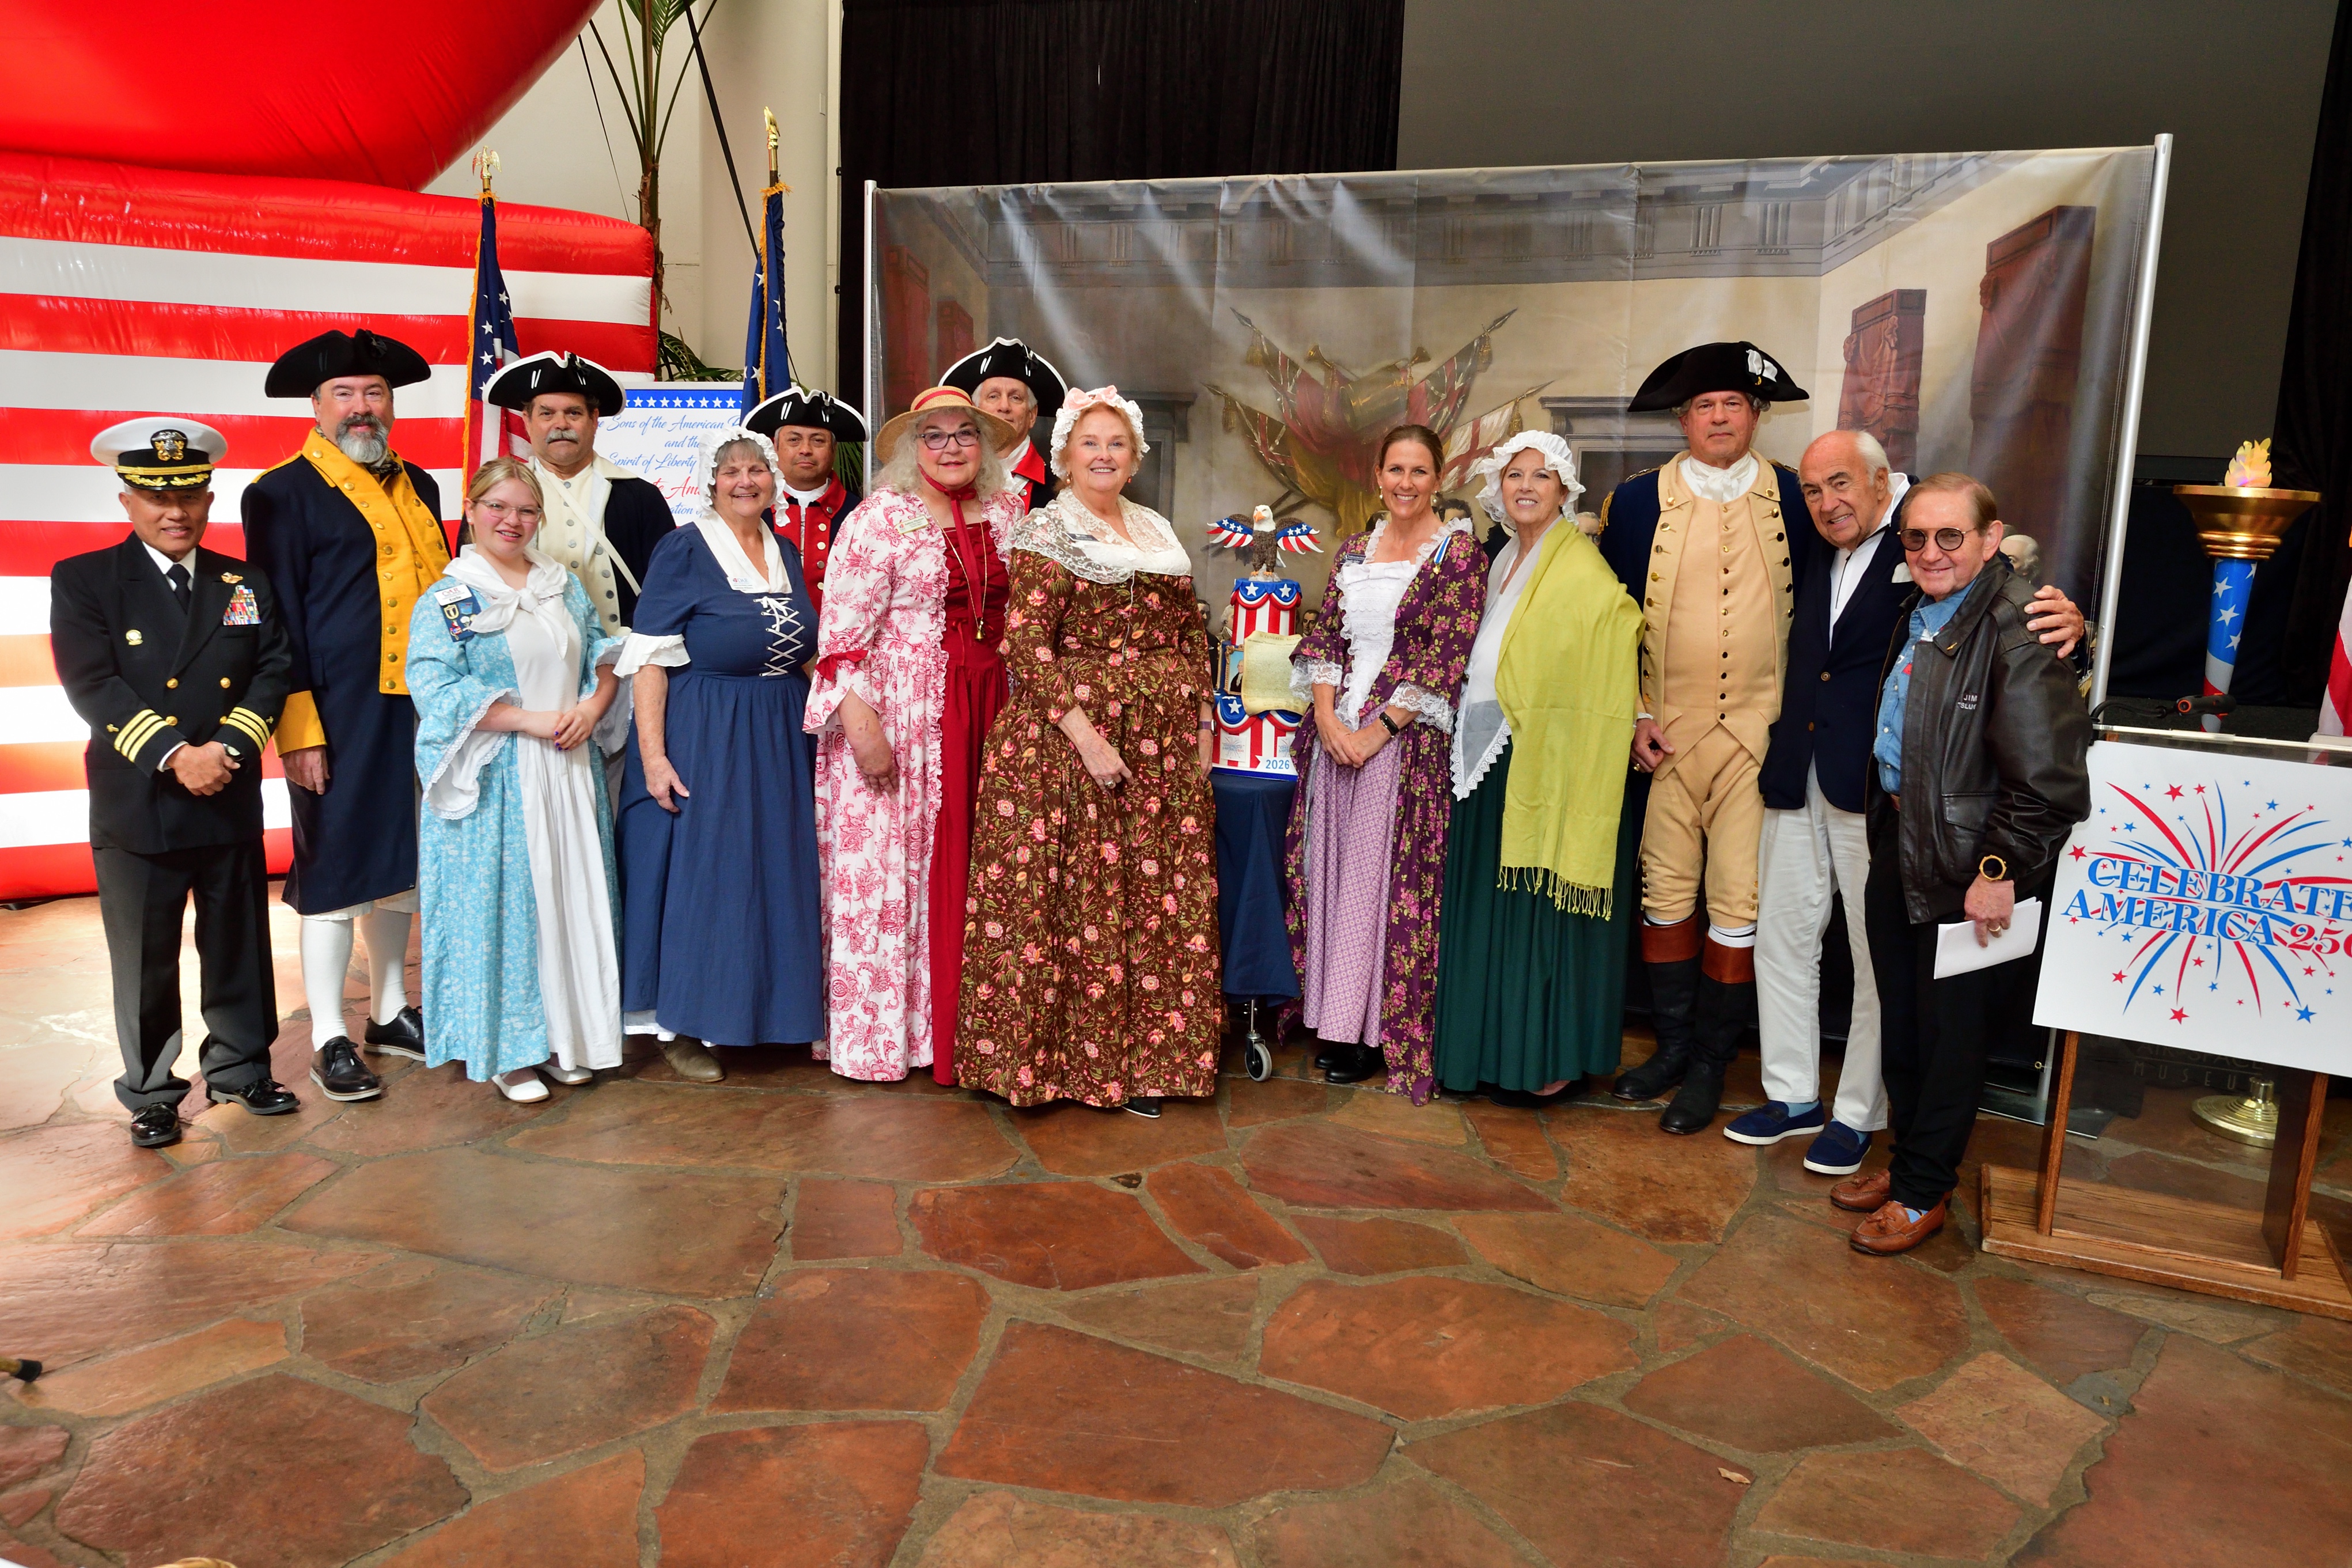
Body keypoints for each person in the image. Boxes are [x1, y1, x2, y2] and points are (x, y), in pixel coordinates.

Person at [1733, 431, 2085, 1175]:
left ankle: (1860, 1113)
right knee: (1785, 939)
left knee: (1876, 966)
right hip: (1800, 769)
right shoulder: (1809, 540)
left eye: (1840, 484)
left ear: (1880, 482)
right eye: (1812, 489)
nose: (1827, 501)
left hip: (1889, 798)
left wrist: (2070, 627)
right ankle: (1791, 1093)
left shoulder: (1934, 547)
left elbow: (2009, 587)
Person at [1841, 472, 2090, 1254]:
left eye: (1949, 535)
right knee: (1906, 1025)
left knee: (1951, 1037)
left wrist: (1997, 872)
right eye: (1915, 536)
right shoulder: (1922, 609)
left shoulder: (2019, 623)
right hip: (1902, 840)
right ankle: (1912, 1161)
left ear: (1990, 539)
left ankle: (1922, 1193)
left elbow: (2048, 780)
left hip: (1969, 864)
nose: (1929, 550)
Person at [958, 388, 1221, 1116]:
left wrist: (1202, 722)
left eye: (1116, 445)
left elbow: (1188, 633)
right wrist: (1087, 737)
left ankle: (1148, 1062)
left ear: (1134, 460)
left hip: (1162, 745)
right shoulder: (1050, 531)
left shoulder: (1155, 529)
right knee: (1077, 903)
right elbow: (1027, 647)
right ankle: (1076, 1066)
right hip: (1067, 745)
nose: (1103, 455)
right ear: (1066, 457)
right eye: (1089, 443)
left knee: (1151, 900)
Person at [51, 419, 295, 1148]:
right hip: (140, 799)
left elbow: (272, 668)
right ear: (126, 500)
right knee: (145, 954)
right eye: (156, 497)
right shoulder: (86, 579)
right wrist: (173, 753)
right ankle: (153, 1090)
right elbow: (91, 683)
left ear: (209, 497)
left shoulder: (241, 581)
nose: (175, 511)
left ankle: (243, 1064)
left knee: (238, 940)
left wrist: (225, 746)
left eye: (189, 494)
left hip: (225, 784)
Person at [1596, 340, 1810, 1135]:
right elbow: (1611, 619)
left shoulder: (1793, 498)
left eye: (1732, 404)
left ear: (1755, 413)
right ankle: (1672, 1049)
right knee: (1663, 896)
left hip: (1757, 734)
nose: (1718, 418)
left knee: (1735, 902)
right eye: (1702, 406)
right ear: (1682, 419)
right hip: (1667, 735)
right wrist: (1631, 714)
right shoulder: (1638, 502)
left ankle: (1712, 1065)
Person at [244, 328, 449, 1104]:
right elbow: (276, 617)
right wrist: (296, 729)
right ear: (317, 406)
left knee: (400, 861)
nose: (363, 408)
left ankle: (390, 1009)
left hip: (422, 705)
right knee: (333, 865)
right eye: (346, 395)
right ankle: (330, 1029)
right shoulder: (280, 493)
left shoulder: (420, 484)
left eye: (375, 394)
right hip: (337, 709)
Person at [807, 386, 1026, 1083]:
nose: (953, 447)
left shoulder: (1010, 512)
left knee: (980, 864)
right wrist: (861, 724)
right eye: (935, 436)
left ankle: (973, 1033)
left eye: (966, 434)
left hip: (992, 702)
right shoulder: (879, 520)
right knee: (896, 867)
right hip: (901, 708)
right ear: (912, 448)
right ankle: (890, 1038)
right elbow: (840, 638)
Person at [1433, 434, 1643, 1107]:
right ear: (1498, 488)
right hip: (1485, 755)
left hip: (1540, 761)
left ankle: (1537, 1057)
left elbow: (1611, 644)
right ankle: (1479, 1052)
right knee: (1487, 911)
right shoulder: (1501, 561)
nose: (1526, 485)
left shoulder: (1579, 565)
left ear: (1564, 490)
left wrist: (1626, 718)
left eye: (1542, 476)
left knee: (1534, 914)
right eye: (1514, 474)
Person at [408, 459, 623, 1101]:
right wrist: (526, 720)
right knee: (507, 908)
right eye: (498, 507)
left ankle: (567, 1035)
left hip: (567, 766)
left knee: (566, 900)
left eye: (526, 510)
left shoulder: (562, 585)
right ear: (470, 510)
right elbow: (436, 688)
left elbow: (605, 655)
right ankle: (507, 1048)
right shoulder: (449, 596)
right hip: (500, 773)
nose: (513, 521)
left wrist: (590, 708)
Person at [615, 429, 825, 1082]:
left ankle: (766, 1015)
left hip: (781, 730)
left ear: (774, 480)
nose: (746, 480)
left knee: (770, 871)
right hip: (708, 728)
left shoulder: (785, 550)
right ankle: (683, 1023)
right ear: (711, 483)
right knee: (707, 875)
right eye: (731, 471)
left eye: (757, 470)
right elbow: (649, 659)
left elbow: (808, 650)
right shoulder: (682, 549)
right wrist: (653, 758)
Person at [1286, 425, 1486, 1103]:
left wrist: (1376, 732)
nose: (1406, 483)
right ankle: (1328, 1018)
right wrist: (1326, 717)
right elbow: (1324, 634)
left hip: (1401, 741)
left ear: (1438, 479)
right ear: (1377, 474)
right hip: (1336, 730)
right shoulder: (1354, 548)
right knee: (1331, 871)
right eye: (1395, 469)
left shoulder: (1457, 555)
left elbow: (1447, 655)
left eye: (1419, 471)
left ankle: (1365, 1030)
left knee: (1376, 882)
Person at [484, 351, 674, 635]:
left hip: (623, 659)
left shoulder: (640, 497)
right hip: (527, 662)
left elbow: (669, 589)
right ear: (527, 420)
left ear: (594, 419)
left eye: (573, 413)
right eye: (547, 414)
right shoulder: (496, 498)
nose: (561, 425)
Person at [747, 385, 867, 609]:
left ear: (834, 449)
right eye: (794, 440)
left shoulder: (860, 514)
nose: (805, 450)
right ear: (775, 447)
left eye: (818, 441)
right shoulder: (751, 510)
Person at [942, 338, 1066, 513]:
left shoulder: (1062, 490)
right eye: (993, 396)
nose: (1004, 407)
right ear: (975, 411)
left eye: (1016, 398)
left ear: (1032, 415)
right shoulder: (949, 477)